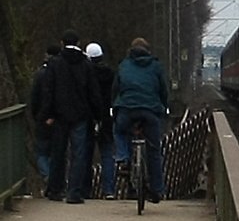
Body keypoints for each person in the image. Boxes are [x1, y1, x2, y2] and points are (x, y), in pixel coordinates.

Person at [40, 29, 102, 204]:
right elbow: (93, 92)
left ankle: (55, 189)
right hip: (81, 115)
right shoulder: (86, 64)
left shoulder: (55, 64)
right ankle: (75, 191)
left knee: (58, 152)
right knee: (79, 153)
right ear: (79, 43)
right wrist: (97, 114)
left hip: (60, 115)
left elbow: (48, 91)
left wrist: (47, 114)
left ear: (61, 43)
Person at [113, 37, 168, 203]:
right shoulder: (156, 66)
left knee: (120, 130)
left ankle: (123, 158)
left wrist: (115, 105)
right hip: (150, 111)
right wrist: (163, 107)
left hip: (127, 109)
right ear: (148, 51)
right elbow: (163, 90)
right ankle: (157, 190)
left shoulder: (123, 65)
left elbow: (116, 89)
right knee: (154, 151)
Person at [83, 42, 116, 199]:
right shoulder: (110, 74)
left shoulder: (85, 74)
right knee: (107, 153)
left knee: (85, 154)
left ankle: (85, 189)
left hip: (88, 116)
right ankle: (109, 189)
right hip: (107, 117)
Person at [29, 44, 61, 185]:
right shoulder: (62, 73)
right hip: (59, 118)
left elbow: (34, 97)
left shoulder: (40, 74)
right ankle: (55, 178)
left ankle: (47, 175)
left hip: (42, 117)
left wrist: (38, 116)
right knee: (56, 152)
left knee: (41, 152)